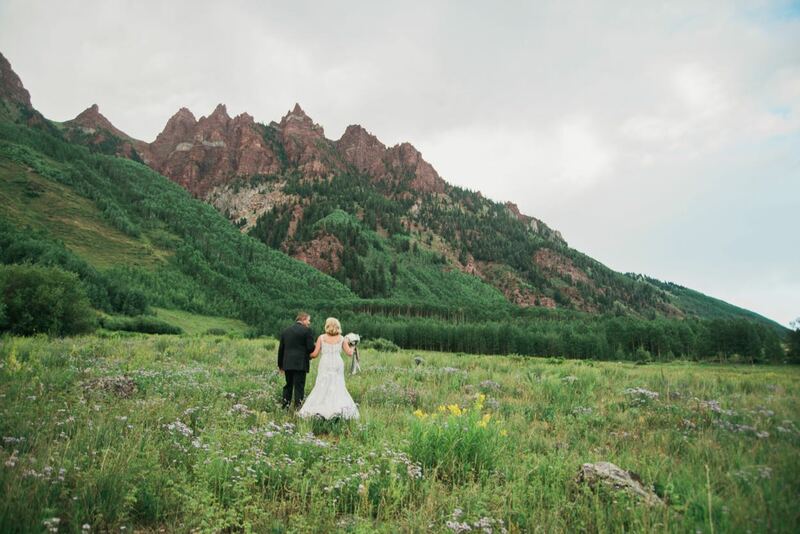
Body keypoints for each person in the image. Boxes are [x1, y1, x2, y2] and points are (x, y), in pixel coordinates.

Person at [298, 317, 360, 420]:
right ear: (337, 326)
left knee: (322, 384)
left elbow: (314, 354)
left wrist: (304, 353)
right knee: (338, 385)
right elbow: (349, 353)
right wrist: (353, 346)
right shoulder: (341, 338)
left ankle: (319, 409)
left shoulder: (321, 338)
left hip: (325, 362)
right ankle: (339, 410)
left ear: (327, 326)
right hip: (337, 363)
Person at [277, 312, 315, 409]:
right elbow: (310, 348)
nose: (309, 323)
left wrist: (280, 365)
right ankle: (298, 409)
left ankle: (285, 407)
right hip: (300, 364)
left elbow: (281, 349)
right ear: (303, 319)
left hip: (287, 364)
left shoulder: (286, 331)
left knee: (288, 385)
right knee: (299, 387)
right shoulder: (307, 331)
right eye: (308, 320)